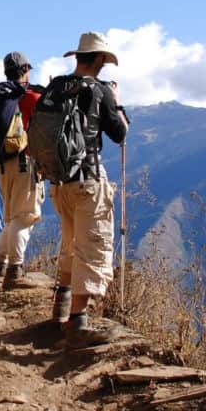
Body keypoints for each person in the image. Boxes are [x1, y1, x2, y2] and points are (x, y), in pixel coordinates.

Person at [45, 32, 129, 349]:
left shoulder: (55, 87)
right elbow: (120, 134)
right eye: (104, 60)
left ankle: (60, 313)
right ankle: (78, 323)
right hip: (88, 180)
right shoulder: (100, 90)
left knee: (69, 244)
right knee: (91, 247)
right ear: (98, 59)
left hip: (58, 182)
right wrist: (117, 102)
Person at [0, 52, 45, 291]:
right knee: (24, 218)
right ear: (26, 69)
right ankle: (15, 273)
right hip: (24, 163)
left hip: (2, 165)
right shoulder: (31, 97)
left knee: (11, 220)